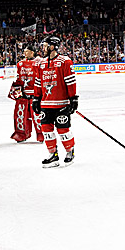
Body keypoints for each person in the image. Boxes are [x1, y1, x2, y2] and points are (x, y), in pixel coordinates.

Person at [37, 37, 77, 168]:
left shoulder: (65, 61)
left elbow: (70, 81)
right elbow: (38, 82)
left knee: (63, 130)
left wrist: (73, 98)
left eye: (45, 45)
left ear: (53, 46)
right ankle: (53, 155)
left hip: (61, 103)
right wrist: (36, 98)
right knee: (46, 130)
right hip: (46, 104)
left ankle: (70, 152)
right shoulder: (41, 63)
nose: (43, 48)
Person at [10, 44, 43, 143]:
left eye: (26, 51)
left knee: (38, 116)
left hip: (35, 94)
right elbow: (19, 78)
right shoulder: (20, 63)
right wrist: (16, 89)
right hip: (23, 95)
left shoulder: (39, 62)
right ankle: (21, 134)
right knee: (20, 115)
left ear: (32, 52)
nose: (24, 53)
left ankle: (42, 134)